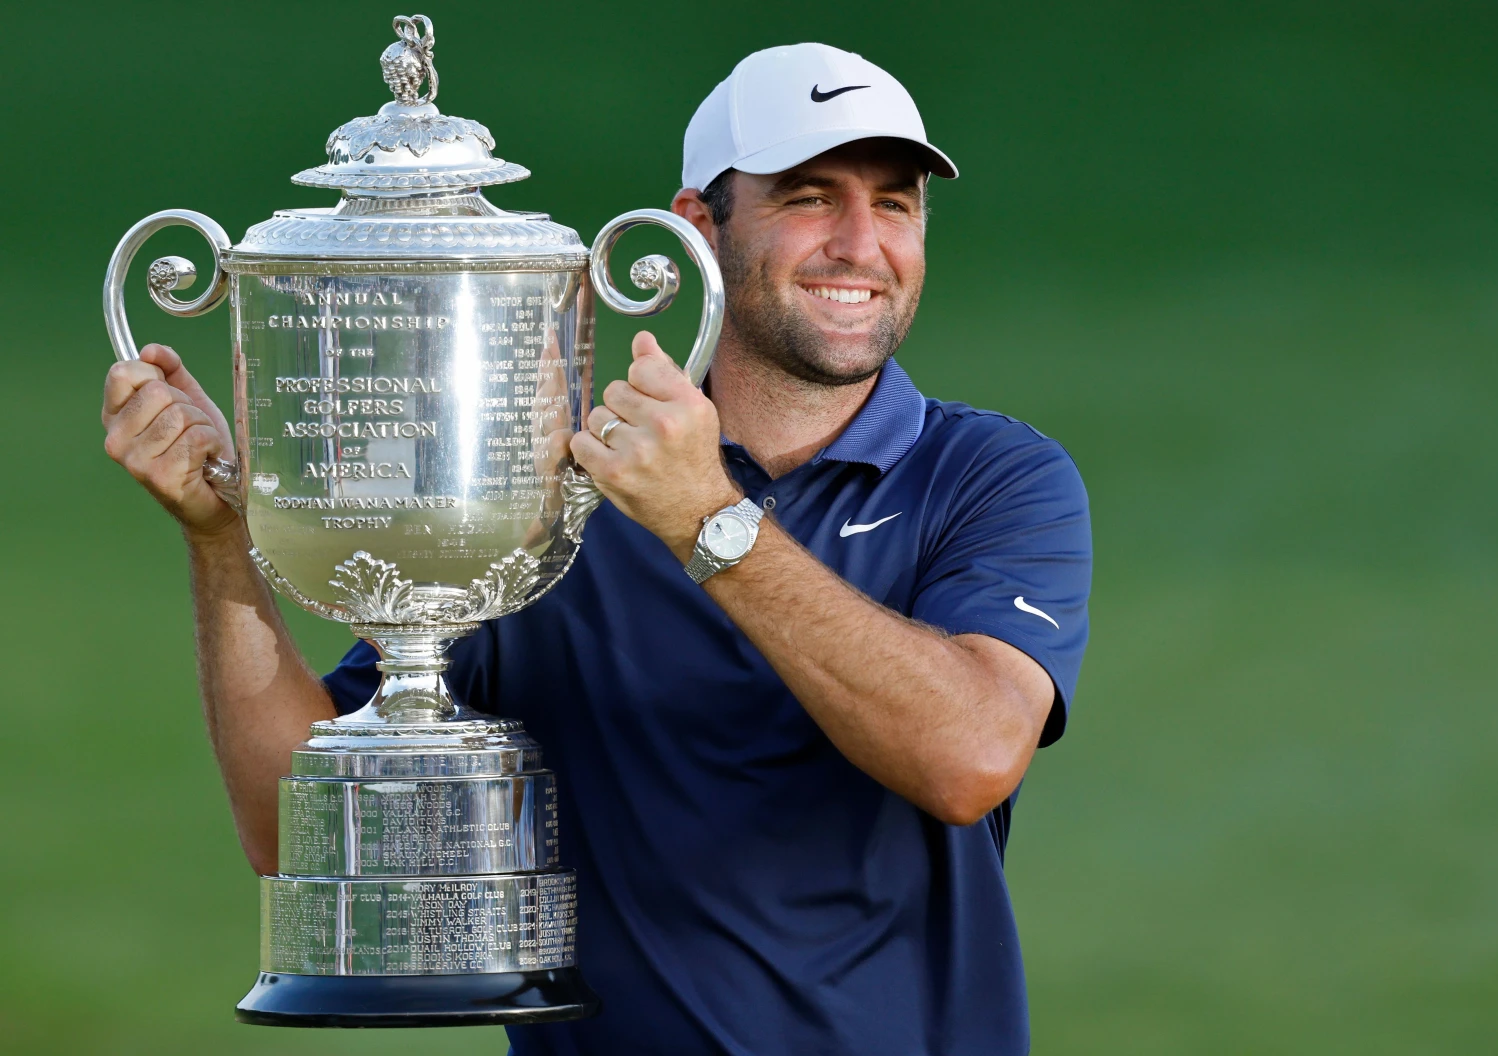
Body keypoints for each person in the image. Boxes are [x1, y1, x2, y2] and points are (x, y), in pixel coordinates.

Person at [100, 42, 1091, 1056]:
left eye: (894, 204)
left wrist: (705, 521)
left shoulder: (993, 476)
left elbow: (967, 758)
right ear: (697, 230)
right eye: (807, 196)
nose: (858, 242)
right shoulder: (541, 497)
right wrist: (222, 540)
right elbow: (301, 834)